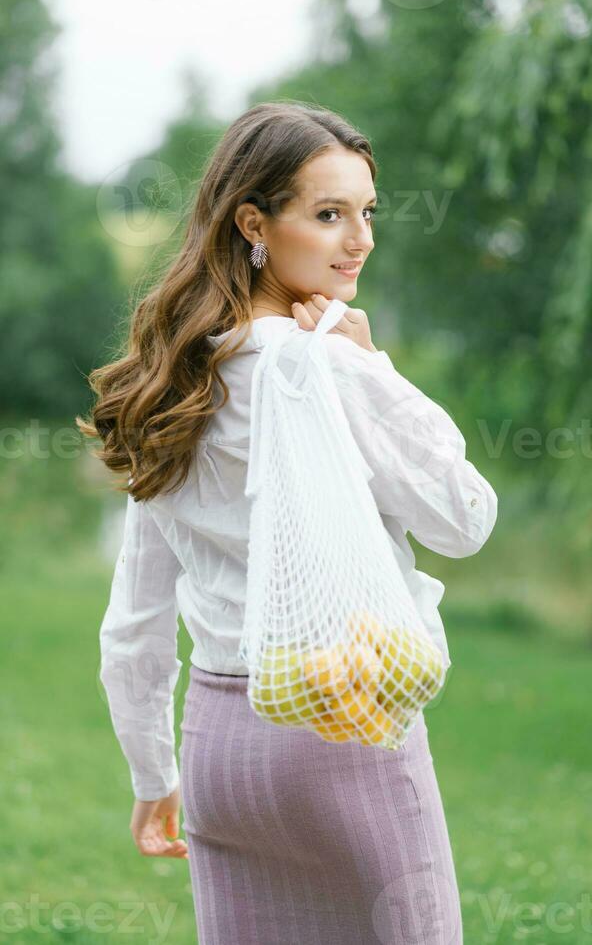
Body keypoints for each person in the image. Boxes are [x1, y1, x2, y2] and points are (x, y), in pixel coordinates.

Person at [77, 100, 498, 944]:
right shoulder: (324, 366)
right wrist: (369, 365)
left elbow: (135, 622)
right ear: (253, 223)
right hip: (342, 726)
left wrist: (152, 773)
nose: (360, 240)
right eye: (329, 214)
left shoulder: (172, 379)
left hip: (220, 752)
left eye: (367, 212)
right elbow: (465, 517)